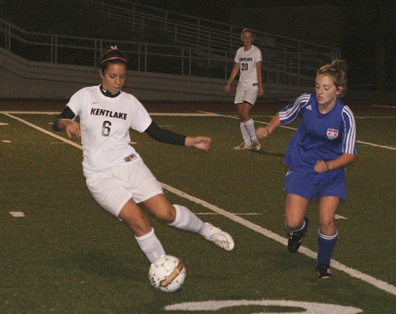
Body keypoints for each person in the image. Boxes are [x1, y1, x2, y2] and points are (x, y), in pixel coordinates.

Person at [52, 46, 234, 268]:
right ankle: (163, 268)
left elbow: (155, 132)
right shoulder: (85, 95)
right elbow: (57, 121)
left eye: (122, 77)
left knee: (166, 213)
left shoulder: (130, 102)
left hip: (130, 165)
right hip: (99, 176)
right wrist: (68, 123)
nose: (118, 82)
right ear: (101, 73)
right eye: (112, 76)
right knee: (139, 222)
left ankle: (206, 230)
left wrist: (190, 140)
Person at [256, 60, 356, 278]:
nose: (320, 92)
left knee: (327, 219)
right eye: (317, 86)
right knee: (292, 222)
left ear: (338, 90)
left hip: (332, 170)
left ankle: (323, 263)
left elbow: (349, 154)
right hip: (303, 164)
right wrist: (268, 129)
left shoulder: (344, 114)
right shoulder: (305, 101)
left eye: (326, 88)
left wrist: (328, 165)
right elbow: (284, 115)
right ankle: (299, 231)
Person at [225, 28, 265, 150]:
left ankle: (254, 140)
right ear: (241, 38)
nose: (247, 39)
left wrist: (260, 86)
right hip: (241, 86)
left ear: (252, 39)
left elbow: (258, 70)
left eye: (249, 37)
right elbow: (236, 68)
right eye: (245, 37)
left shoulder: (256, 51)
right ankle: (246, 143)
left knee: (245, 113)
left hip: (252, 86)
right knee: (240, 116)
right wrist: (229, 83)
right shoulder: (239, 51)